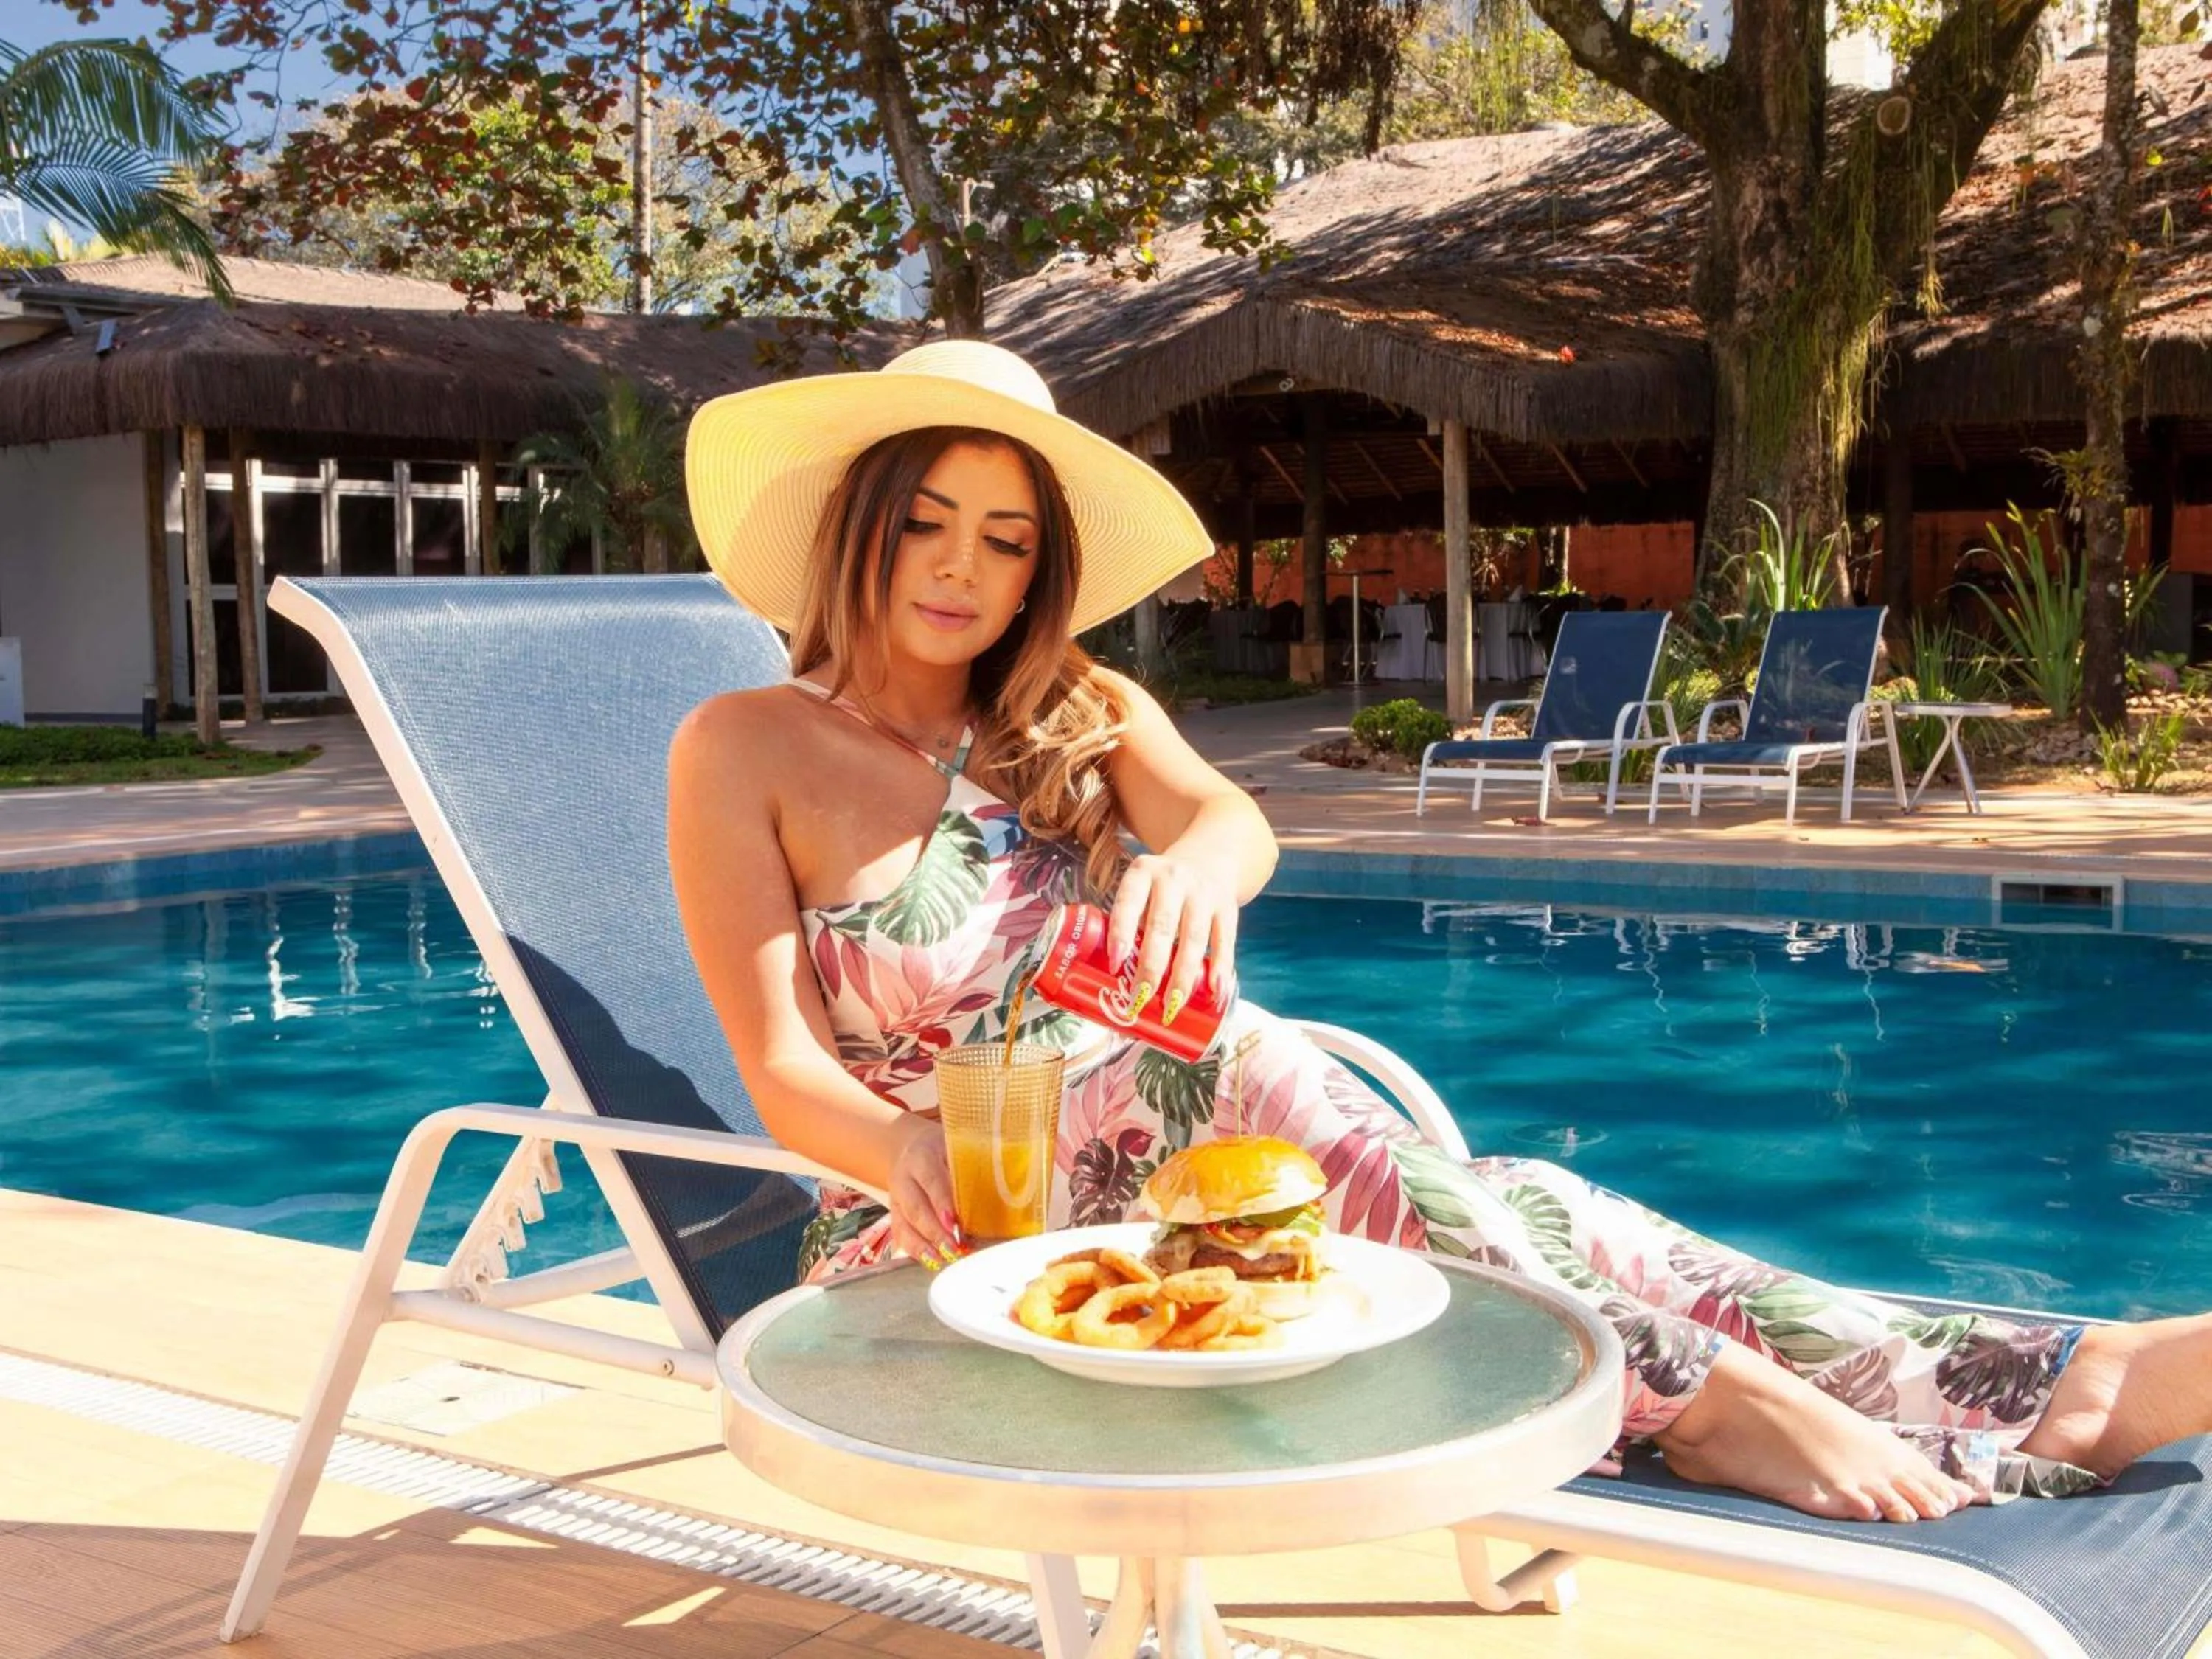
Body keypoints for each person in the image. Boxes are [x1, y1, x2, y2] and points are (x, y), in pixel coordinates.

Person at [668, 341, 2212, 1526]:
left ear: (1040, 570)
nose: (961, 566)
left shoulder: (1080, 708)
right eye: (929, 521)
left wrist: (1201, 870)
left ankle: (2072, 1381)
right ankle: (1709, 1394)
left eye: (1004, 539)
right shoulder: (742, 747)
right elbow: (783, 1071)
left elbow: (1232, 824)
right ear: (856, 524)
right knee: (1247, 1075)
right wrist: (907, 1156)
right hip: (959, 1225)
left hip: (1205, 1163)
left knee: (1506, 1189)